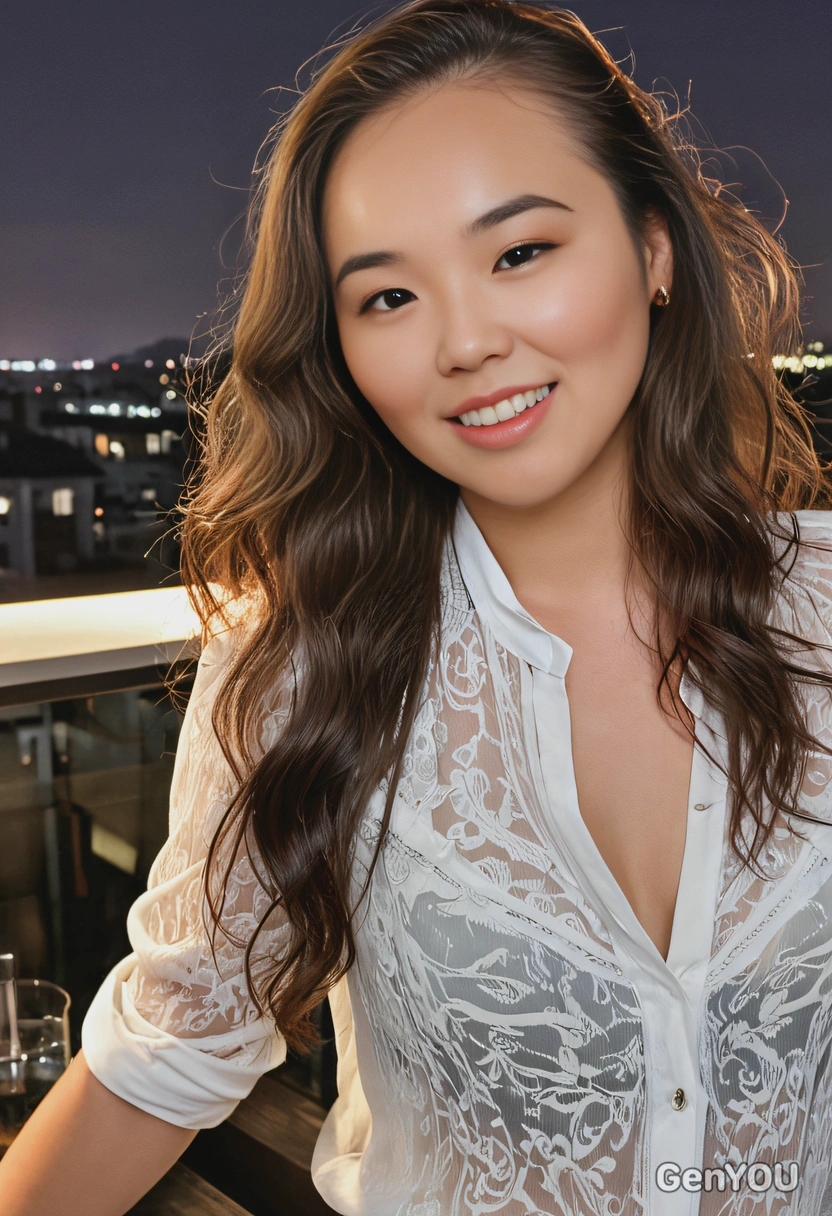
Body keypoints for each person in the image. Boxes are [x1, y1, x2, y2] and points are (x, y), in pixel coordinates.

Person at [3, 1, 832, 1212]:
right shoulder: (307, 673)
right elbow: (160, 1059)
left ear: (654, 250)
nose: (465, 342)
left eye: (518, 253)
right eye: (388, 298)